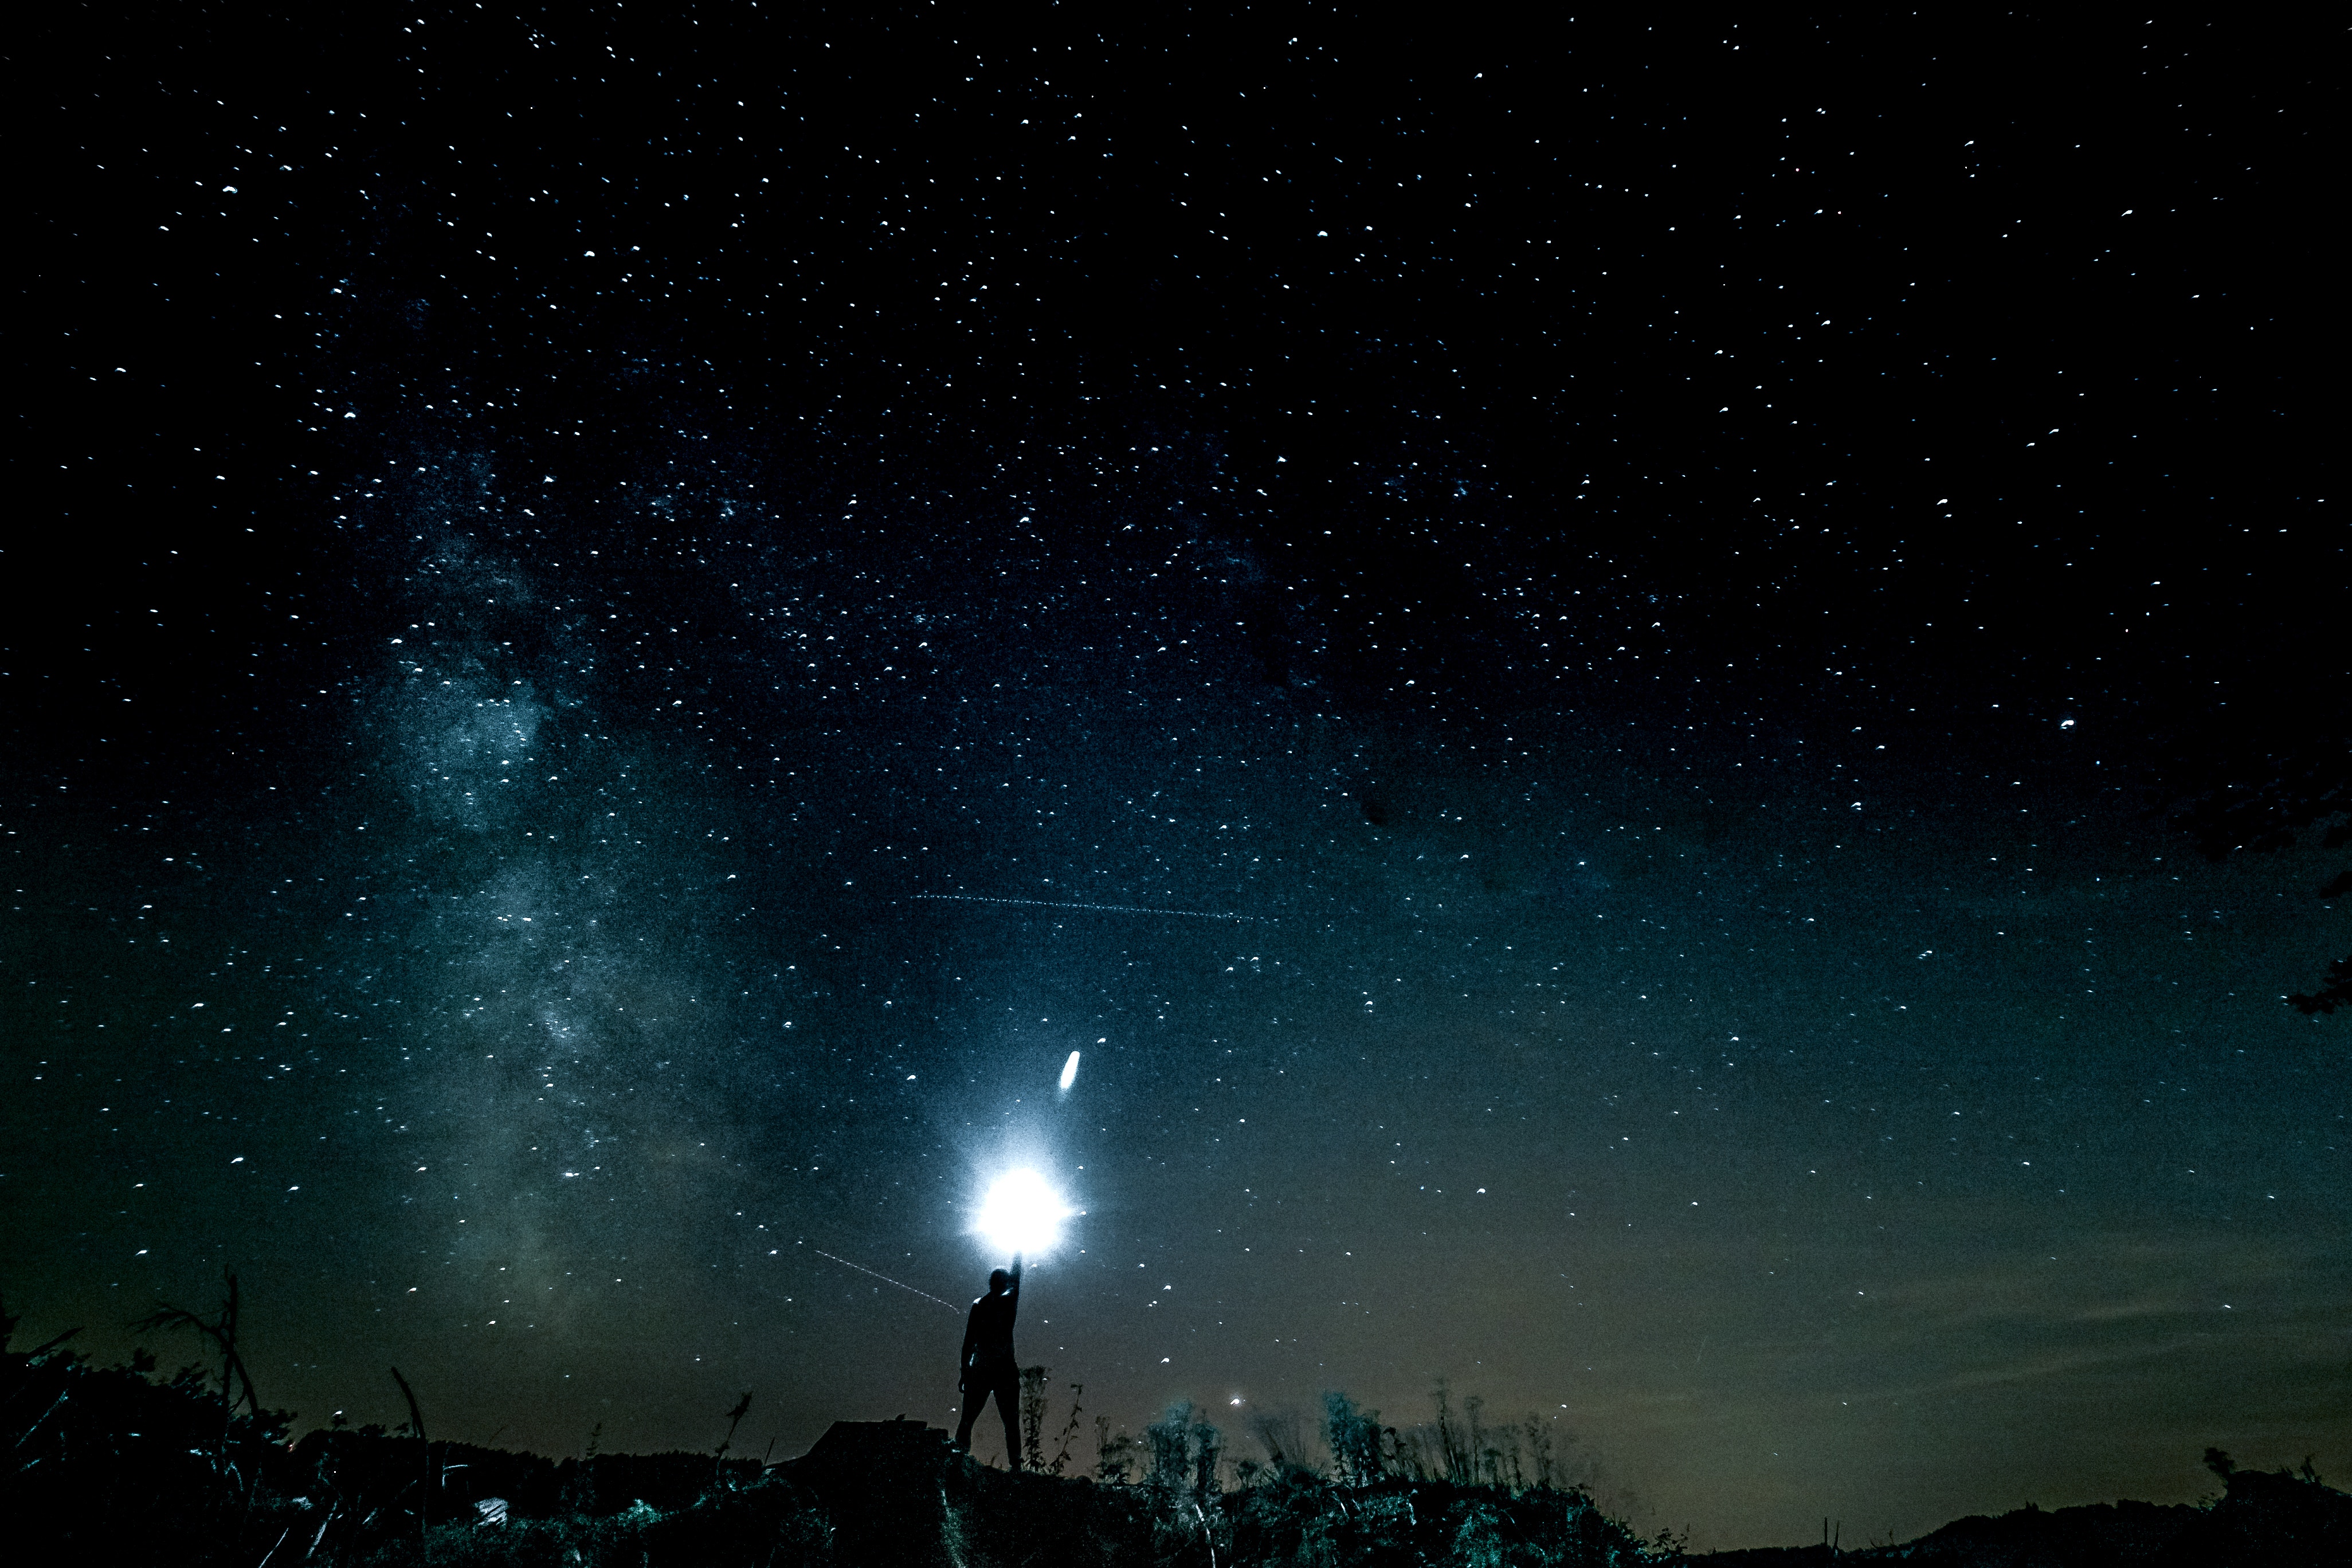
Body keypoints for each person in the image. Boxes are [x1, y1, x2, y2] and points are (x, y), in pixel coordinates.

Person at [952, 1253, 1022, 1467]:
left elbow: (968, 1343)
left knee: (968, 1420)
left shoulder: (979, 1305)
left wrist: (965, 1371)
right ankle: (1015, 1466)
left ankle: (960, 1459)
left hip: (982, 1367)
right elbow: (1017, 1277)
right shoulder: (1007, 1301)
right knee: (1010, 1422)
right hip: (999, 1368)